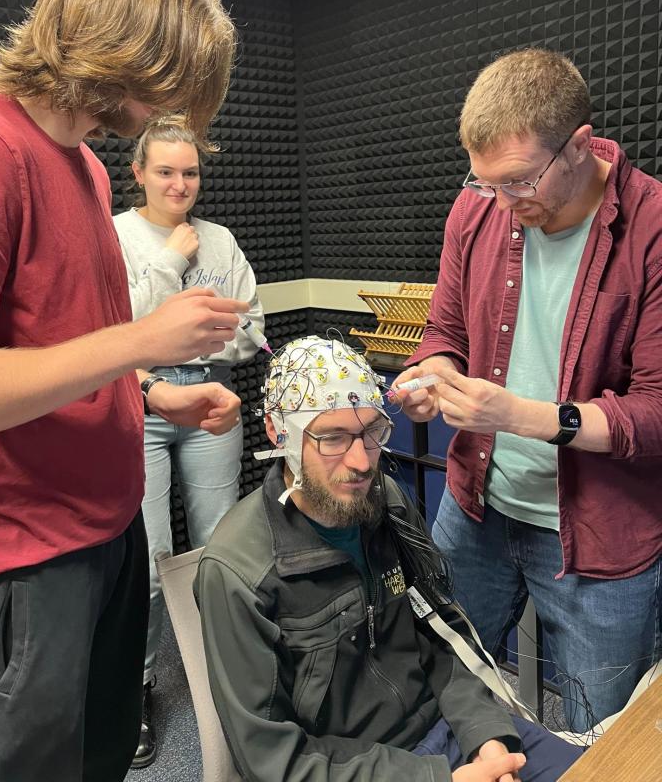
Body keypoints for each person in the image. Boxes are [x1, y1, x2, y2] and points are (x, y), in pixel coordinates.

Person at [0, 0, 250, 782]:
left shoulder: (83, 164)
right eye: (164, 84)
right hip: (25, 557)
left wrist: (149, 391)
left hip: (107, 535)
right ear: (114, 48)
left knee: (102, 758)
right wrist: (144, 340)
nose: (163, 110)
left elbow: (61, 341)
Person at [395, 48, 662, 732]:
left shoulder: (653, 228)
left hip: (602, 537)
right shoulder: (477, 208)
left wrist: (525, 415)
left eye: (518, 182)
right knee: (447, 690)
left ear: (579, 145)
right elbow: (444, 328)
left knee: (599, 737)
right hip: (477, 510)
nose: (504, 204)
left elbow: (655, 414)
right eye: (486, 183)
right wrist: (437, 372)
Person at [194, 335, 582, 782]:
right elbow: (272, 761)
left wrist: (488, 737)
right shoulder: (237, 574)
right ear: (281, 434)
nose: (362, 462)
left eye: (371, 433)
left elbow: (441, 632)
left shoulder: (387, 502)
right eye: (334, 438)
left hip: (450, 732)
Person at [113, 114, 265, 767]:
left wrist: (172, 326)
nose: (180, 184)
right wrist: (172, 266)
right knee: (146, 560)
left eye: (191, 171)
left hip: (210, 400)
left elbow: (249, 330)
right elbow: (119, 332)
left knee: (216, 550)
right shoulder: (116, 236)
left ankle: (223, 685)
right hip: (137, 400)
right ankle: (138, 687)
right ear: (139, 172)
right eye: (166, 171)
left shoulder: (222, 240)